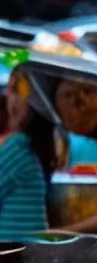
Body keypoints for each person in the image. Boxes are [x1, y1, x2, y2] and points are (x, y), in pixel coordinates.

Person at [0, 75, 57, 240]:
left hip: (14, 257)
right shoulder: (28, 146)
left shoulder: (17, 148)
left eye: (12, 89)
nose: (6, 94)